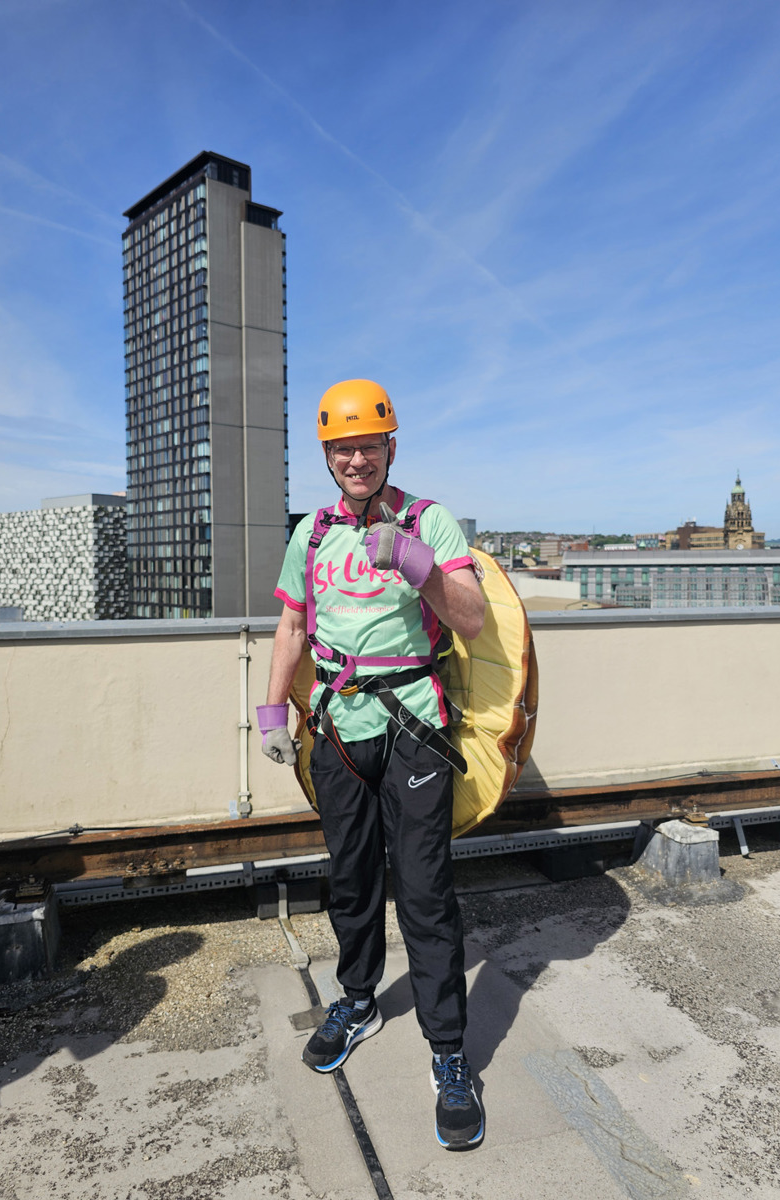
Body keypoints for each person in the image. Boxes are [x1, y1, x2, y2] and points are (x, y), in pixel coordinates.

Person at [256, 378, 487, 1150]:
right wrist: (271, 711)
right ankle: (357, 1000)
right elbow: (292, 625)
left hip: (414, 725)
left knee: (425, 891)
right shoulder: (313, 532)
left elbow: (473, 621)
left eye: (369, 446)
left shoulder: (430, 521)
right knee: (351, 879)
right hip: (337, 725)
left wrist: (419, 564)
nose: (357, 460)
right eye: (343, 449)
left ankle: (448, 1051)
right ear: (328, 456)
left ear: (391, 447)